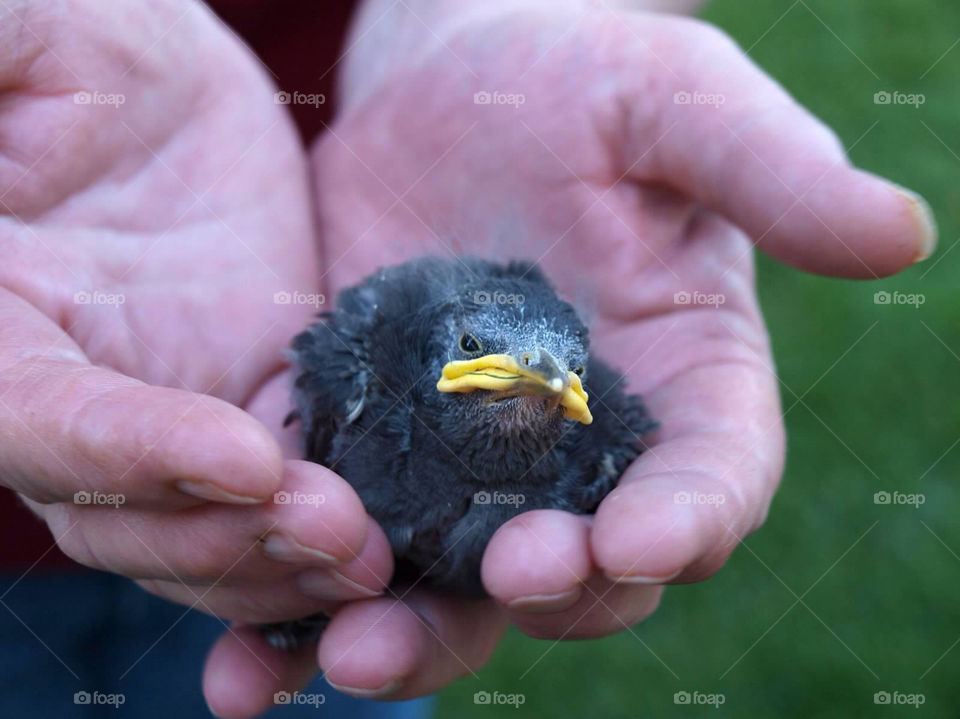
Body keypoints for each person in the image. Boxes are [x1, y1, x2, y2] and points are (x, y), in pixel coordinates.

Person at [0, 0, 935, 717]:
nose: (534, 387)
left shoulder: (581, 443)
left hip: (291, 566)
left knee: (342, 641)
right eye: (488, 361)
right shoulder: (362, 365)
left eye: (552, 381)